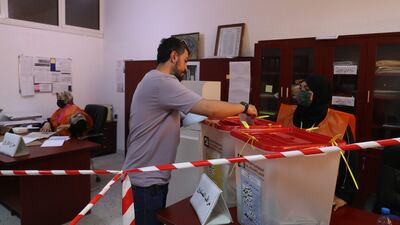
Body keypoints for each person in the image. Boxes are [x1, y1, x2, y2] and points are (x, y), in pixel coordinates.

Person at [123, 37, 257, 225]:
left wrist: (210, 117)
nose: (186, 68)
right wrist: (243, 107)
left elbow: (181, 119)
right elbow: (207, 107)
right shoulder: (163, 82)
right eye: (185, 61)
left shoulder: (151, 78)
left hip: (150, 177)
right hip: (147, 181)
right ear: (173, 56)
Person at [277, 75, 358, 211]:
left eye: (307, 89)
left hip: (321, 192)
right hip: (286, 187)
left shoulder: (339, 123)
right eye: (300, 87)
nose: (301, 92)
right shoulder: (287, 115)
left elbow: (350, 161)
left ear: (320, 93)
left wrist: (343, 195)